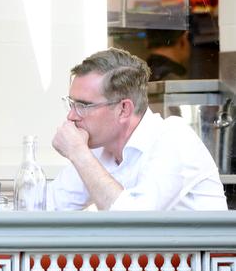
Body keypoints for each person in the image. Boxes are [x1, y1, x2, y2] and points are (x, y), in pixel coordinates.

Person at [48, 47, 226, 211]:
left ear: (124, 109)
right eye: (71, 104)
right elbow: (49, 208)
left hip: (200, 247)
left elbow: (134, 226)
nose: (71, 116)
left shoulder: (175, 139)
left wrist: (79, 154)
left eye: (83, 105)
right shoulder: (100, 147)